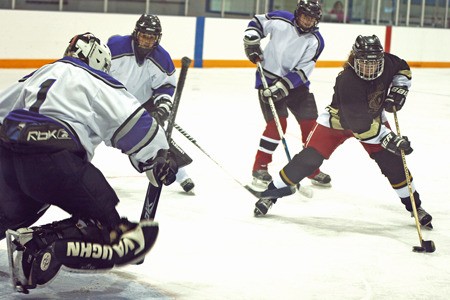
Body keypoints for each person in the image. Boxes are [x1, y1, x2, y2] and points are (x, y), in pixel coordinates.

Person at [0, 32, 178, 293]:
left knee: (6, 216)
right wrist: (158, 157)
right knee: (109, 230)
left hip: (9, 160)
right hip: (54, 162)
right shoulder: (96, 79)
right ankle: (37, 248)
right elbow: (133, 124)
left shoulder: (42, 72)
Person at [253, 35, 433, 231]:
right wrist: (388, 138)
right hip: (338, 121)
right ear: (355, 60)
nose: (370, 69)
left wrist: (399, 89)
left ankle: (415, 206)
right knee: (308, 160)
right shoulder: (347, 80)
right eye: (364, 63)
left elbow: (403, 68)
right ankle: (271, 194)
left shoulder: (388, 62)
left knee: (393, 162)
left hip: (372, 119)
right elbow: (359, 124)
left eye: (374, 63)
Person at [243, 0, 331, 189]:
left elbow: (303, 70)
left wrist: (282, 87)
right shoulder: (281, 19)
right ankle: (260, 166)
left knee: (312, 127)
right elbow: (258, 23)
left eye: (312, 18)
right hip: (268, 79)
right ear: (297, 13)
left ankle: (311, 169)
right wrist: (252, 38)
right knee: (277, 124)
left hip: (297, 86)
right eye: (305, 16)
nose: (308, 21)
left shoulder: (316, 41)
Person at [107, 14, 195, 194]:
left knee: (157, 137)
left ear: (158, 38)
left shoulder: (162, 59)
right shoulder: (116, 48)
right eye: (144, 36)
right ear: (136, 33)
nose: (147, 42)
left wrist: (162, 108)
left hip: (141, 104)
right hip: (109, 101)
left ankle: (180, 174)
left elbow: (165, 87)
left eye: (152, 37)